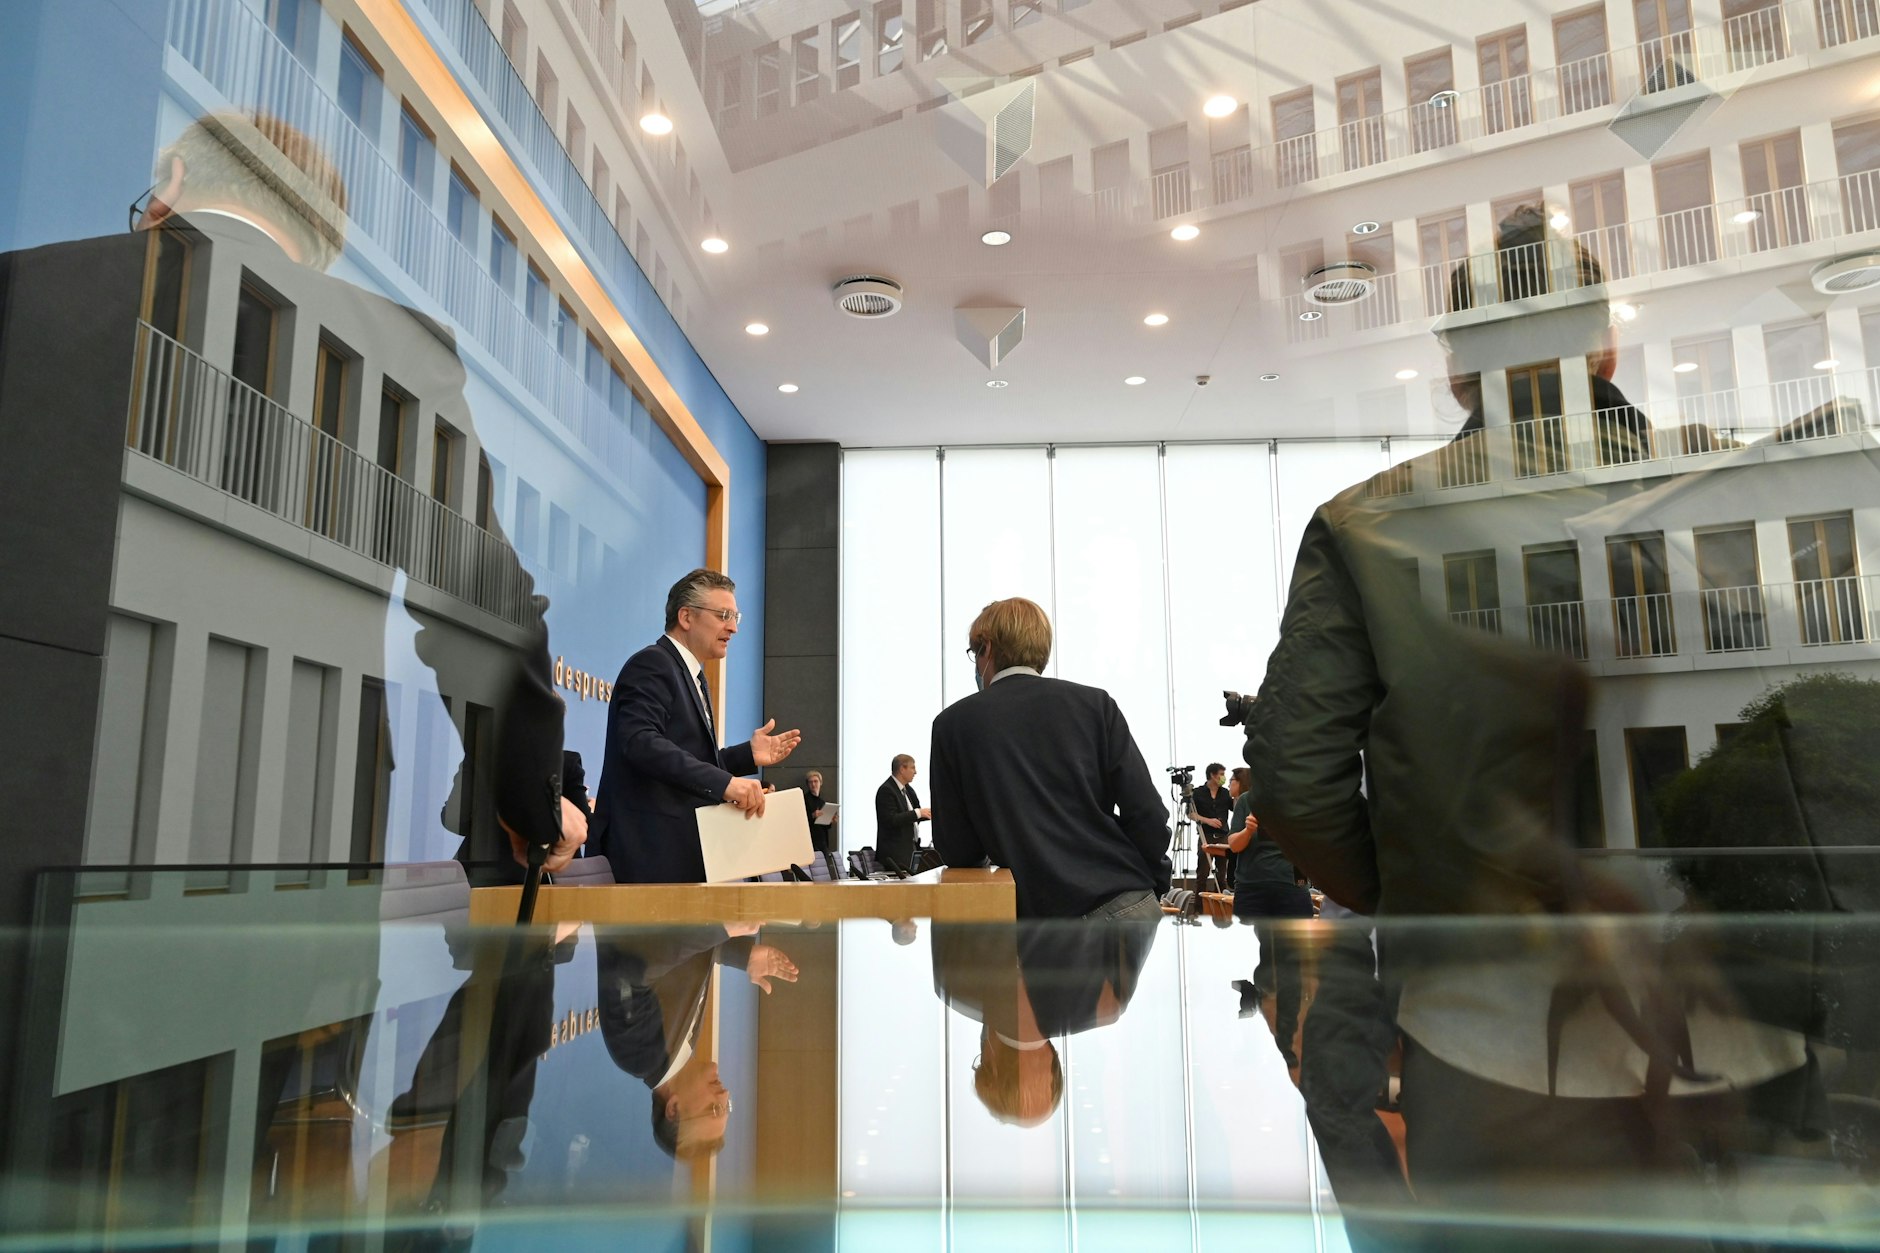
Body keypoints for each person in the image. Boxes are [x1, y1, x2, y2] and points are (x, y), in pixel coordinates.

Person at [1245, 206, 1815, 1247]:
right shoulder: (1735, 498)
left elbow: (1294, 780)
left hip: (1486, 1032)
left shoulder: (1367, 525)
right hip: (1730, 1013)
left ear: (1457, 366)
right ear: (1603, 341)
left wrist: (1435, 901)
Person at [929, 597, 1170, 920]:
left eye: (975, 654)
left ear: (986, 648)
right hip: (1127, 903)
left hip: (1047, 919)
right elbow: (1147, 813)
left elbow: (959, 849)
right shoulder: (1096, 705)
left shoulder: (952, 725)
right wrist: (1153, 883)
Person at [590, 569, 802, 883]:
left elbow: (688, 759)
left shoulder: (693, 677)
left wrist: (746, 756)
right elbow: (640, 741)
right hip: (649, 856)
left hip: (679, 856)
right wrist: (727, 784)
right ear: (686, 617)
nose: (733, 627)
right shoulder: (652, 664)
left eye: (735, 617)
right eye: (723, 615)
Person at [873, 754, 929, 874]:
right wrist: (918, 813)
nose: (916, 772)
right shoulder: (886, 790)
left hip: (910, 850)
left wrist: (927, 814)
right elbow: (891, 819)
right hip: (895, 854)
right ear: (902, 769)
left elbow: (915, 814)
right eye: (912, 768)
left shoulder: (908, 789)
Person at [1189, 763, 1234, 891]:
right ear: (1212, 775)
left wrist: (1236, 793)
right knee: (1202, 874)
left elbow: (1235, 808)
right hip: (1206, 836)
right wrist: (1207, 821)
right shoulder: (1198, 793)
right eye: (1221, 774)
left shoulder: (1225, 793)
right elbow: (1190, 814)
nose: (1223, 778)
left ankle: (1220, 908)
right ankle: (1199, 909)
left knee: (1221, 876)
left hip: (1223, 837)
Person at [802, 769, 836, 853]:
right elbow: (799, 819)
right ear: (807, 784)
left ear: (820, 783)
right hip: (810, 841)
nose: (813, 784)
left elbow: (824, 825)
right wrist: (812, 815)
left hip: (822, 841)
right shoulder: (803, 799)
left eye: (815, 781)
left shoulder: (822, 802)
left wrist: (830, 820)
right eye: (810, 782)